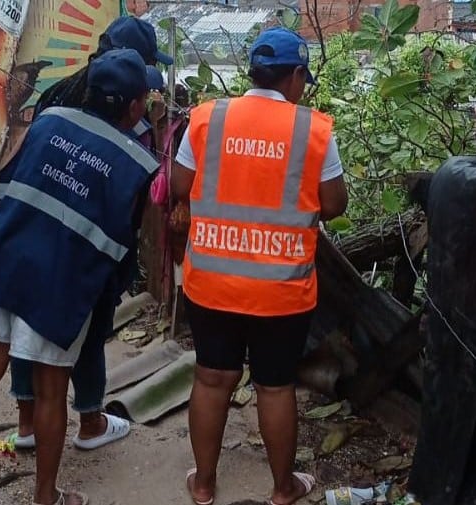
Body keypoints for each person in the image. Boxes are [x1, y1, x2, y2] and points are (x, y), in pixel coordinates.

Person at [0, 48, 160, 505]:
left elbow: (12, 181)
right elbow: (123, 243)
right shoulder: (137, 165)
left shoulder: (49, 119)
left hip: (3, 258)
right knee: (51, 391)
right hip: (60, 282)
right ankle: (45, 496)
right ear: (137, 105)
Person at [170, 27, 348, 505]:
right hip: (280, 289)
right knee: (274, 386)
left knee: (211, 377)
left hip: (211, 283)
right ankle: (282, 489)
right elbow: (334, 204)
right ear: (293, 77)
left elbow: (180, 184)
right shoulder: (313, 129)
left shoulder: (206, 118)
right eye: (302, 80)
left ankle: (204, 485)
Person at [6, 15, 172, 452]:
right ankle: (90, 422)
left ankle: (26, 421)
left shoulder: (57, 96)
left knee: (28, 319)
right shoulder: (125, 118)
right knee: (91, 327)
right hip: (91, 239)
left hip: (35, 231)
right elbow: (130, 198)